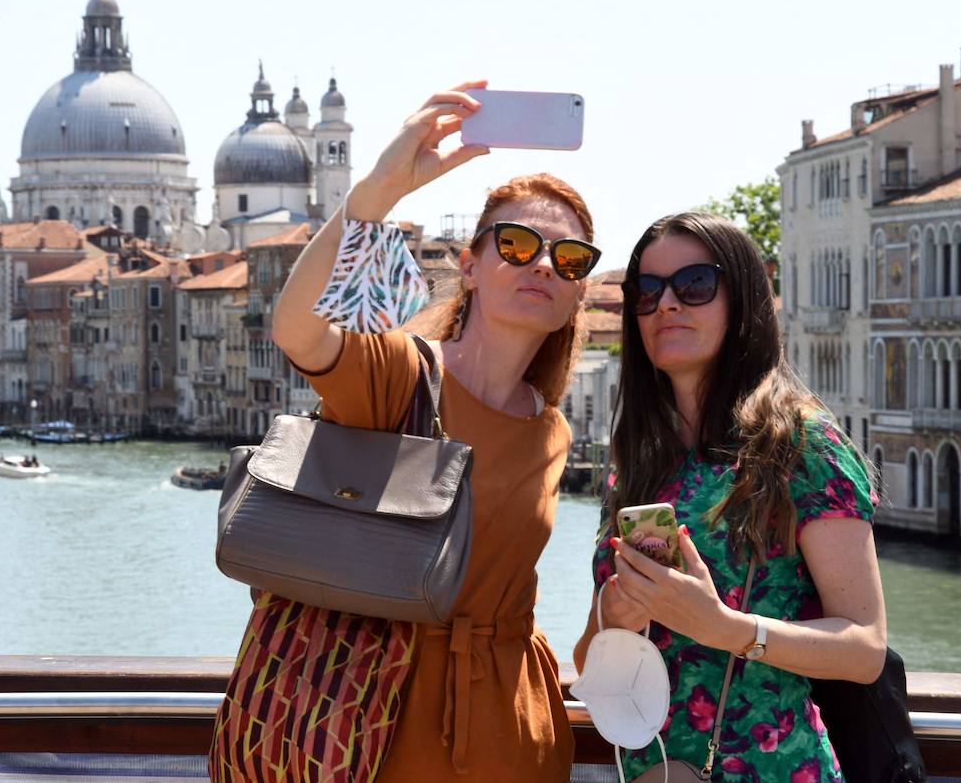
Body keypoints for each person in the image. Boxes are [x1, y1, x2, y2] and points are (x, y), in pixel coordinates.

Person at [211, 82, 599, 782]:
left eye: (569, 259)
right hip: (367, 728)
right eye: (517, 244)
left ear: (578, 291)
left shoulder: (553, 430)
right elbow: (298, 329)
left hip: (514, 738)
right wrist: (376, 194)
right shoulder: (399, 373)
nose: (543, 263)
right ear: (472, 267)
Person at [574, 212, 887, 783]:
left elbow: (864, 648)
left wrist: (724, 627)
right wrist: (614, 616)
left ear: (741, 299)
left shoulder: (802, 444)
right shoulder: (639, 460)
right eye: (646, 292)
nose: (666, 304)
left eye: (694, 284)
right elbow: (588, 662)